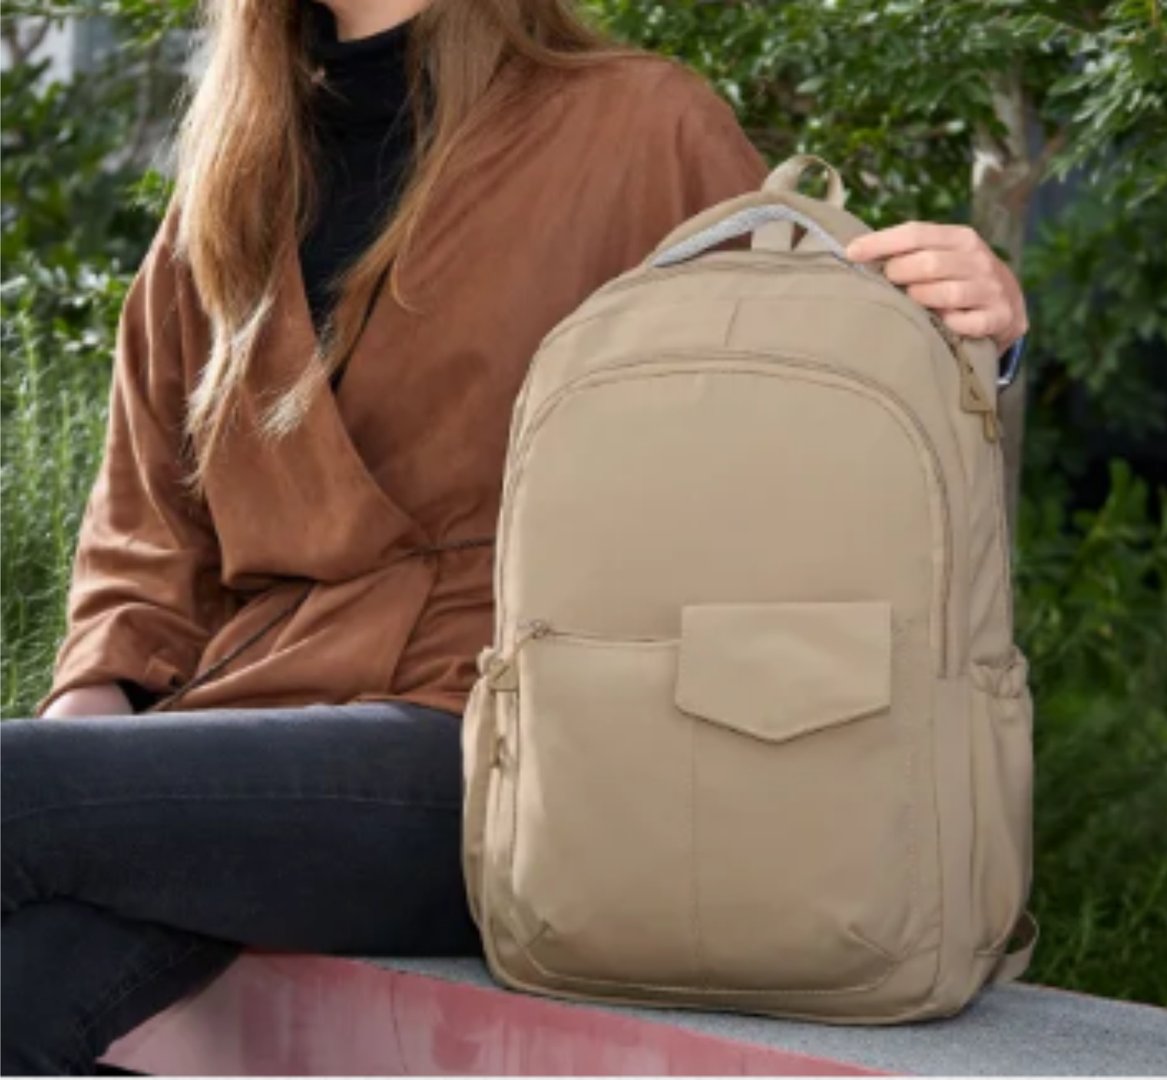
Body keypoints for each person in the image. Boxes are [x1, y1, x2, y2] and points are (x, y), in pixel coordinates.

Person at [0, 0, 1029, 1072]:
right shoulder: (230, 183)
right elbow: (147, 533)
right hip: (239, 737)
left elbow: (820, 398)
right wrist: (94, 724)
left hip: (514, 743)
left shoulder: (639, 126)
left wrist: (976, 336)